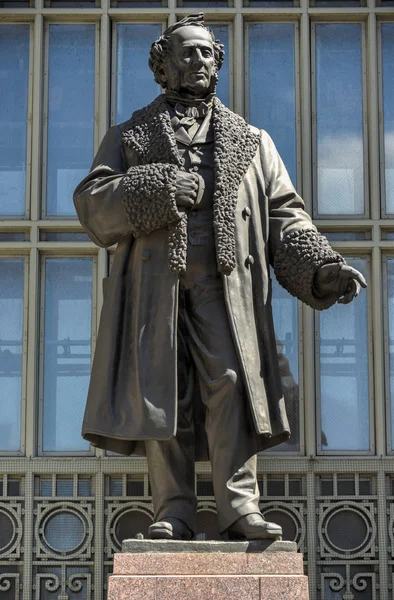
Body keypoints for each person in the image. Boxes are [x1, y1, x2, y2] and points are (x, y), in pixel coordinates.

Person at [73, 14, 366, 541]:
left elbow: (285, 214)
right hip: (154, 291)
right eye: (188, 53)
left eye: (208, 53)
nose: (201, 61)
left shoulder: (253, 142)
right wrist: (155, 190)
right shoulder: (130, 135)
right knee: (165, 394)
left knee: (231, 385)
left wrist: (322, 268)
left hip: (227, 289)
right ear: (162, 65)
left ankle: (238, 506)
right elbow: (92, 206)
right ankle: (174, 509)